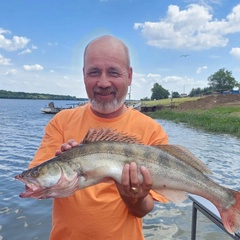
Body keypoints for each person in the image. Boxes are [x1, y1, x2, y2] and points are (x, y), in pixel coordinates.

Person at [29, 35, 168, 240]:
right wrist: (59, 167)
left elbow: (142, 210)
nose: (103, 82)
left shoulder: (152, 131)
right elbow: (39, 185)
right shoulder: (61, 122)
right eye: (94, 72)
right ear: (84, 75)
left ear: (129, 76)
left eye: (113, 72)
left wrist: (135, 199)